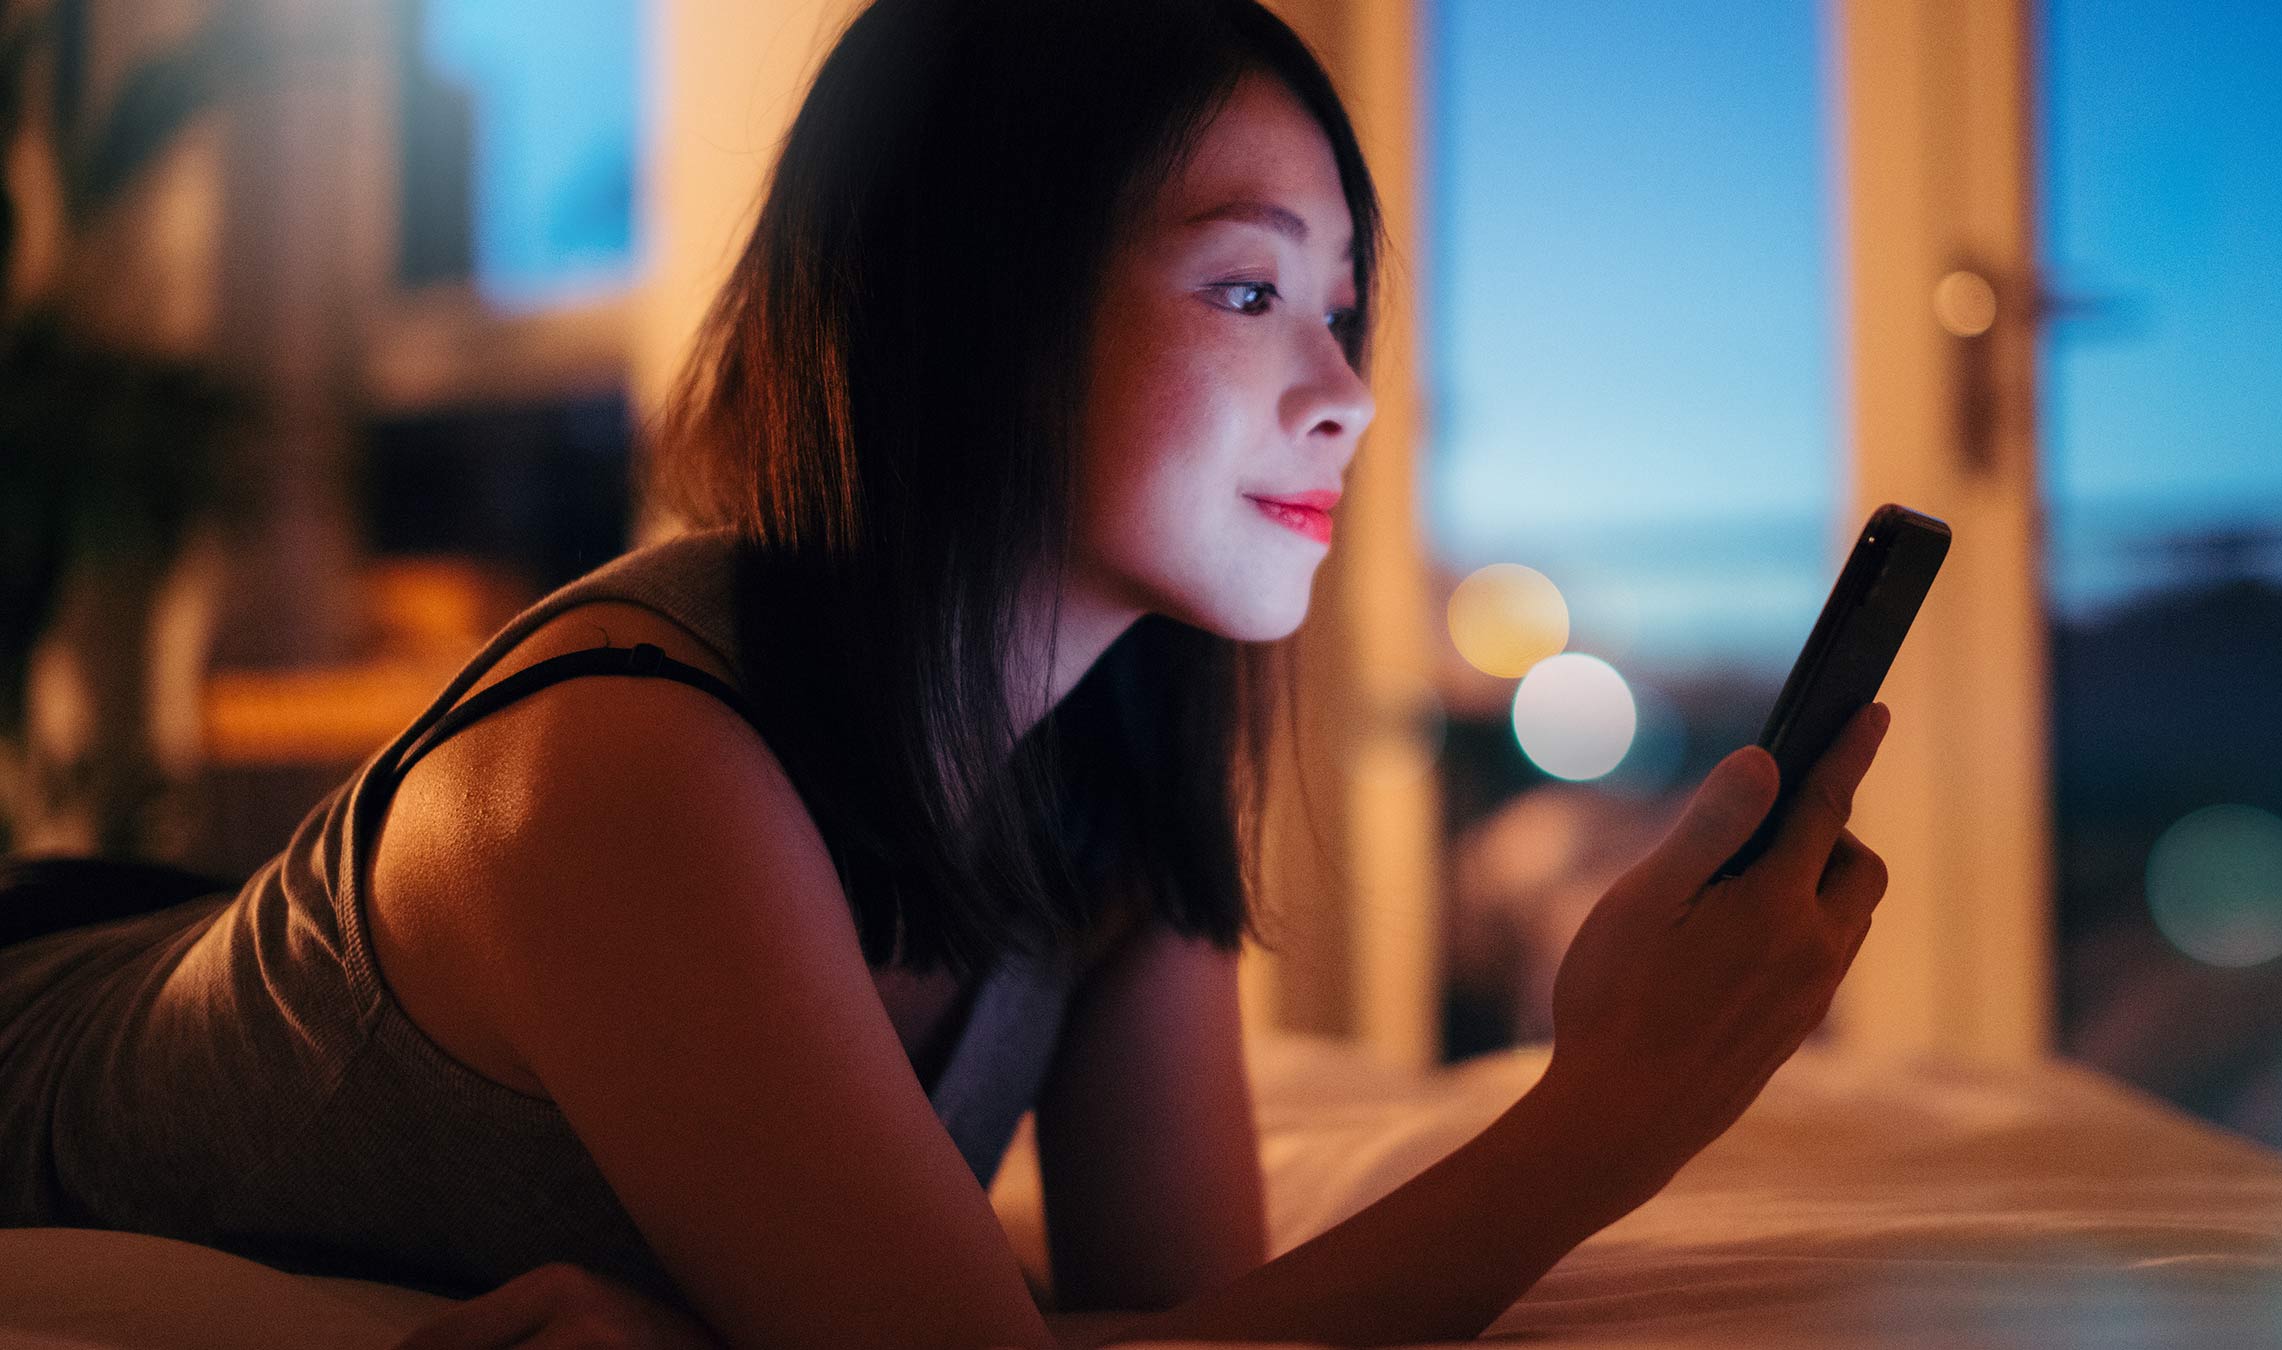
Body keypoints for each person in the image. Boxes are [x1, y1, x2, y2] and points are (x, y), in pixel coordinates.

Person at [0, 1, 1892, 1346]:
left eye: (1341, 307)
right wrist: (1608, 1114)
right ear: (969, 317)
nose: (1349, 390)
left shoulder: (1112, 773)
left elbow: (1185, 1312)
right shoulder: (626, 768)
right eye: (1249, 290)